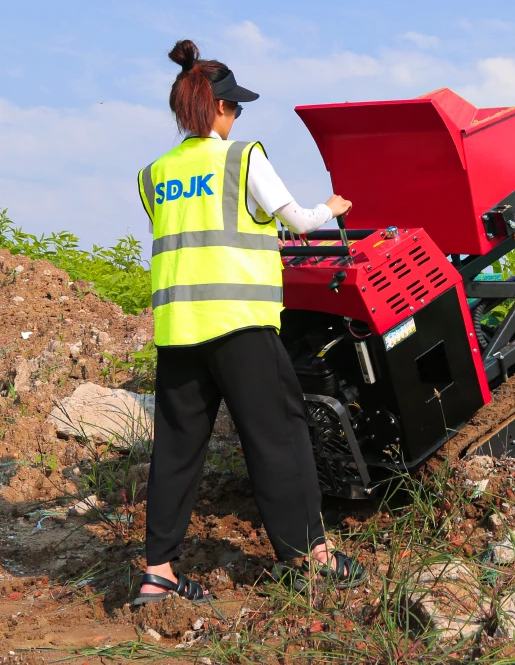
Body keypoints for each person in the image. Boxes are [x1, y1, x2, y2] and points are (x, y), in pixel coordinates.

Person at [132, 39, 364, 606]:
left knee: (178, 449)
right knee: (278, 436)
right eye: (234, 107)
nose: (237, 117)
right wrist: (331, 209)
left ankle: (157, 571)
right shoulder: (242, 158)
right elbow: (298, 220)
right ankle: (310, 555)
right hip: (240, 324)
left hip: (180, 333)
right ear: (213, 109)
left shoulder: (154, 173)